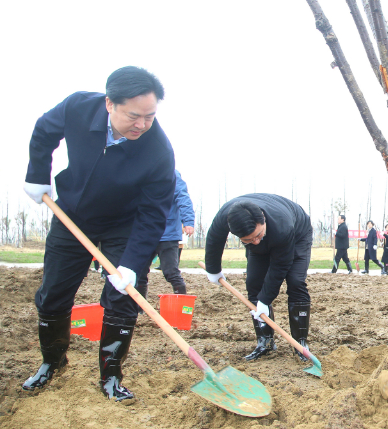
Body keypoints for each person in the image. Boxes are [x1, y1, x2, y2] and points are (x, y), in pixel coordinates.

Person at [22, 66, 176, 401]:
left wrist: (132, 264)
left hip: (125, 224)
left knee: (124, 296)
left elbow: (154, 213)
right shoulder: (78, 107)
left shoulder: (159, 151)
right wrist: (37, 174)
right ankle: (51, 362)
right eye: (133, 116)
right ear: (109, 104)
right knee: (54, 292)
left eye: (150, 116)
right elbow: (44, 131)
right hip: (72, 215)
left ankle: (111, 376)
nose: (142, 125)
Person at [204, 194, 314, 362]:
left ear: (263, 219)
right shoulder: (225, 216)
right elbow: (214, 239)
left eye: (258, 235)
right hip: (270, 233)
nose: (255, 242)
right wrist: (213, 270)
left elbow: (280, 266)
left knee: (295, 281)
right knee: (254, 283)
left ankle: (300, 344)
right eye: (248, 240)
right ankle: (265, 342)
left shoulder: (282, 224)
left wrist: (265, 299)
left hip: (298, 234)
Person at [137, 170, 195, 301]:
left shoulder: (171, 173)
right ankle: (139, 307)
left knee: (171, 272)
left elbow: (182, 197)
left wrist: (188, 221)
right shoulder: (142, 171)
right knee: (139, 271)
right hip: (145, 232)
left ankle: (182, 304)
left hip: (167, 232)